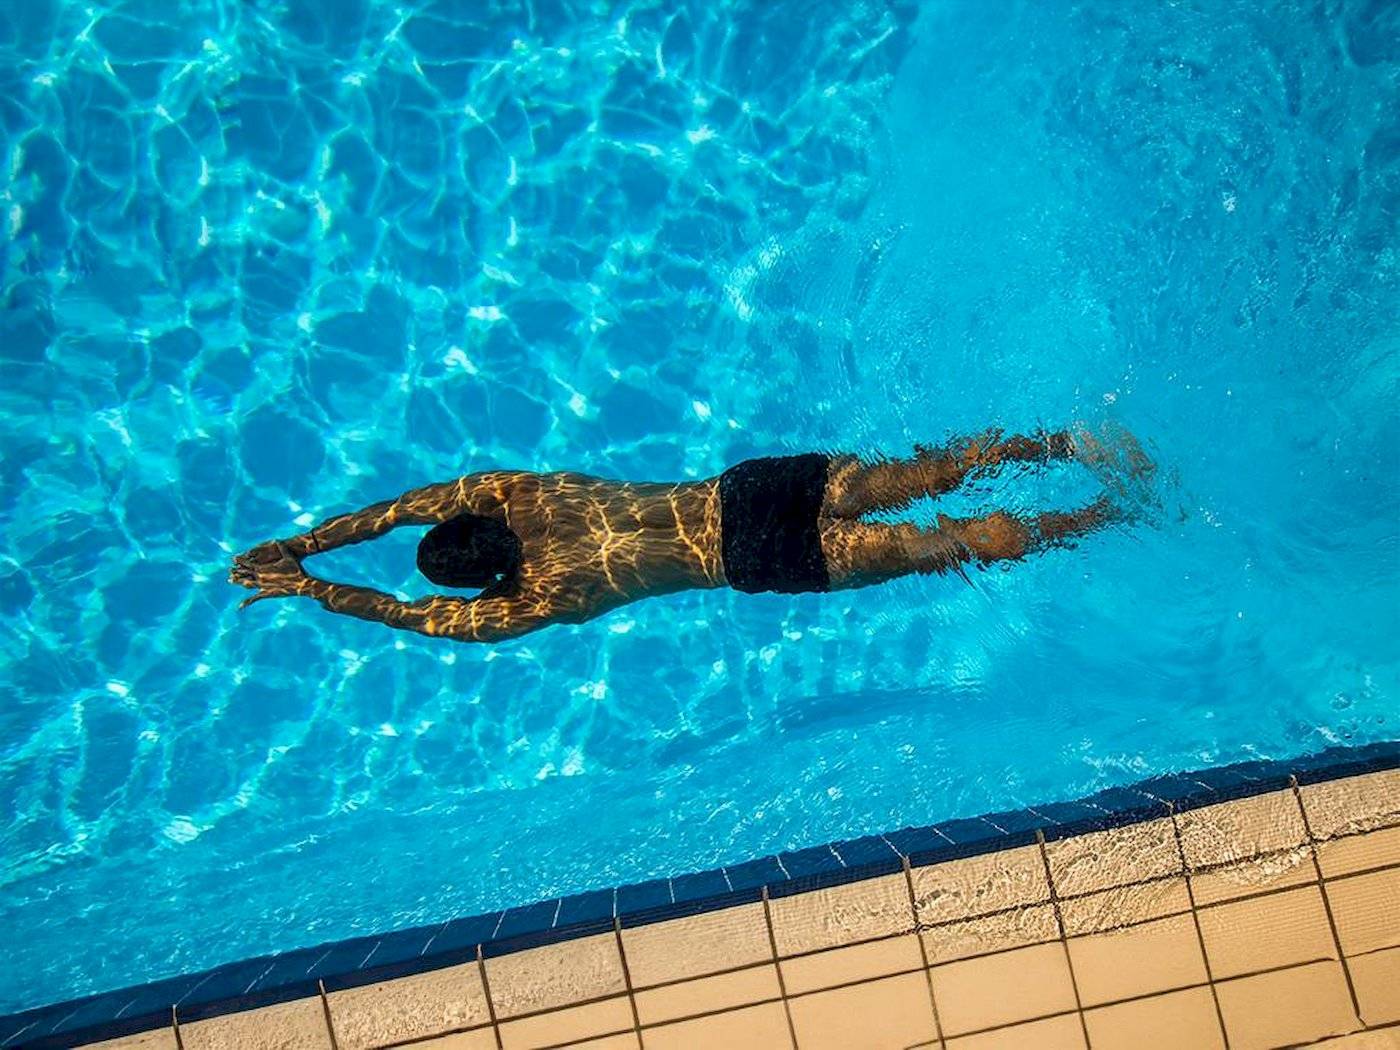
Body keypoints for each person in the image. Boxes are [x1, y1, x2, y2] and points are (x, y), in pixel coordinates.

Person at [229, 427, 1144, 643]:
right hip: (739, 496)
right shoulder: (515, 491)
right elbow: (400, 507)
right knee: (917, 475)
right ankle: (1066, 441)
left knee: (948, 543)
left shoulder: (531, 602)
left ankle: (1111, 515)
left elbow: (409, 615)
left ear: (476, 581)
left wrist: (312, 591)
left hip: (746, 558)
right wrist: (307, 542)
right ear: (474, 518)